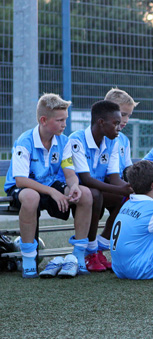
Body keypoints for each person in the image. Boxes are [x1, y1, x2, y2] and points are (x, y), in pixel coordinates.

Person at [4, 93, 93, 278]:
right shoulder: (25, 141)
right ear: (43, 120)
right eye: (60, 120)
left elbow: (69, 173)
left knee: (85, 194)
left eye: (65, 119)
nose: (64, 124)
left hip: (50, 185)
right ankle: (28, 259)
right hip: (24, 188)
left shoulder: (64, 141)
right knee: (31, 196)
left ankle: (78, 255)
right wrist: (53, 192)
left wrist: (74, 185)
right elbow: (20, 180)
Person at [69, 100, 133, 272]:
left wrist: (131, 188)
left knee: (127, 198)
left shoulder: (113, 141)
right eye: (116, 123)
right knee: (95, 194)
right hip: (74, 190)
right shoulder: (76, 139)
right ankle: (90, 252)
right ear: (101, 122)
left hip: (96, 189)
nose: (119, 128)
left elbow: (113, 177)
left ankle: (100, 247)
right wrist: (120, 189)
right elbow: (86, 179)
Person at [104, 88, 138, 180]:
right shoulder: (100, 138)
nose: (126, 120)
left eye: (129, 116)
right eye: (123, 114)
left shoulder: (124, 140)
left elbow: (128, 168)